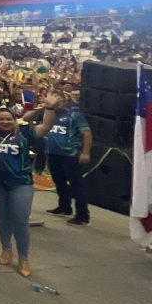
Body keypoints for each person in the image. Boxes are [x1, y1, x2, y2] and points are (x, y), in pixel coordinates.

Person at [0, 100, 57, 277]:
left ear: (15, 119)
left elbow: (47, 126)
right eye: (1, 119)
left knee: (20, 220)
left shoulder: (25, 132)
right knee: (3, 217)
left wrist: (49, 107)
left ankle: (24, 257)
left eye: (8, 119)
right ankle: (6, 248)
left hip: (20, 183)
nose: (4, 122)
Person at [26, 88, 92, 225]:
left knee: (76, 184)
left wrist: (86, 152)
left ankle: (82, 215)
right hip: (52, 152)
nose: (50, 99)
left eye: (54, 96)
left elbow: (87, 133)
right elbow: (26, 118)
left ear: (62, 99)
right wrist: (43, 106)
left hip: (70, 154)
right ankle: (64, 206)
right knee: (58, 181)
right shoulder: (47, 113)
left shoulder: (74, 114)